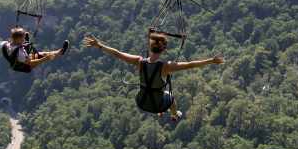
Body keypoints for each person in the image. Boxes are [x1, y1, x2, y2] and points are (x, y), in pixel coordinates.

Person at [83, 33, 224, 121]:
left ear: (150, 48)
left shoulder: (139, 61)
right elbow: (191, 64)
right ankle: (175, 115)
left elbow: (117, 53)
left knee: (160, 94)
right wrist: (211, 60)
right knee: (171, 98)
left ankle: (163, 111)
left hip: (142, 102)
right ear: (164, 50)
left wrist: (99, 45)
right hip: (157, 104)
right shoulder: (166, 66)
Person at [0, 18, 69, 73]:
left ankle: (59, 52)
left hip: (16, 58)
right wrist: (45, 59)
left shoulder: (5, 44)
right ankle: (59, 53)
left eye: (24, 38)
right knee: (38, 55)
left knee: (34, 50)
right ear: (17, 39)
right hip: (25, 66)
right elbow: (32, 65)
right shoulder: (20, 52)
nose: (23, 39)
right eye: (23, 38)